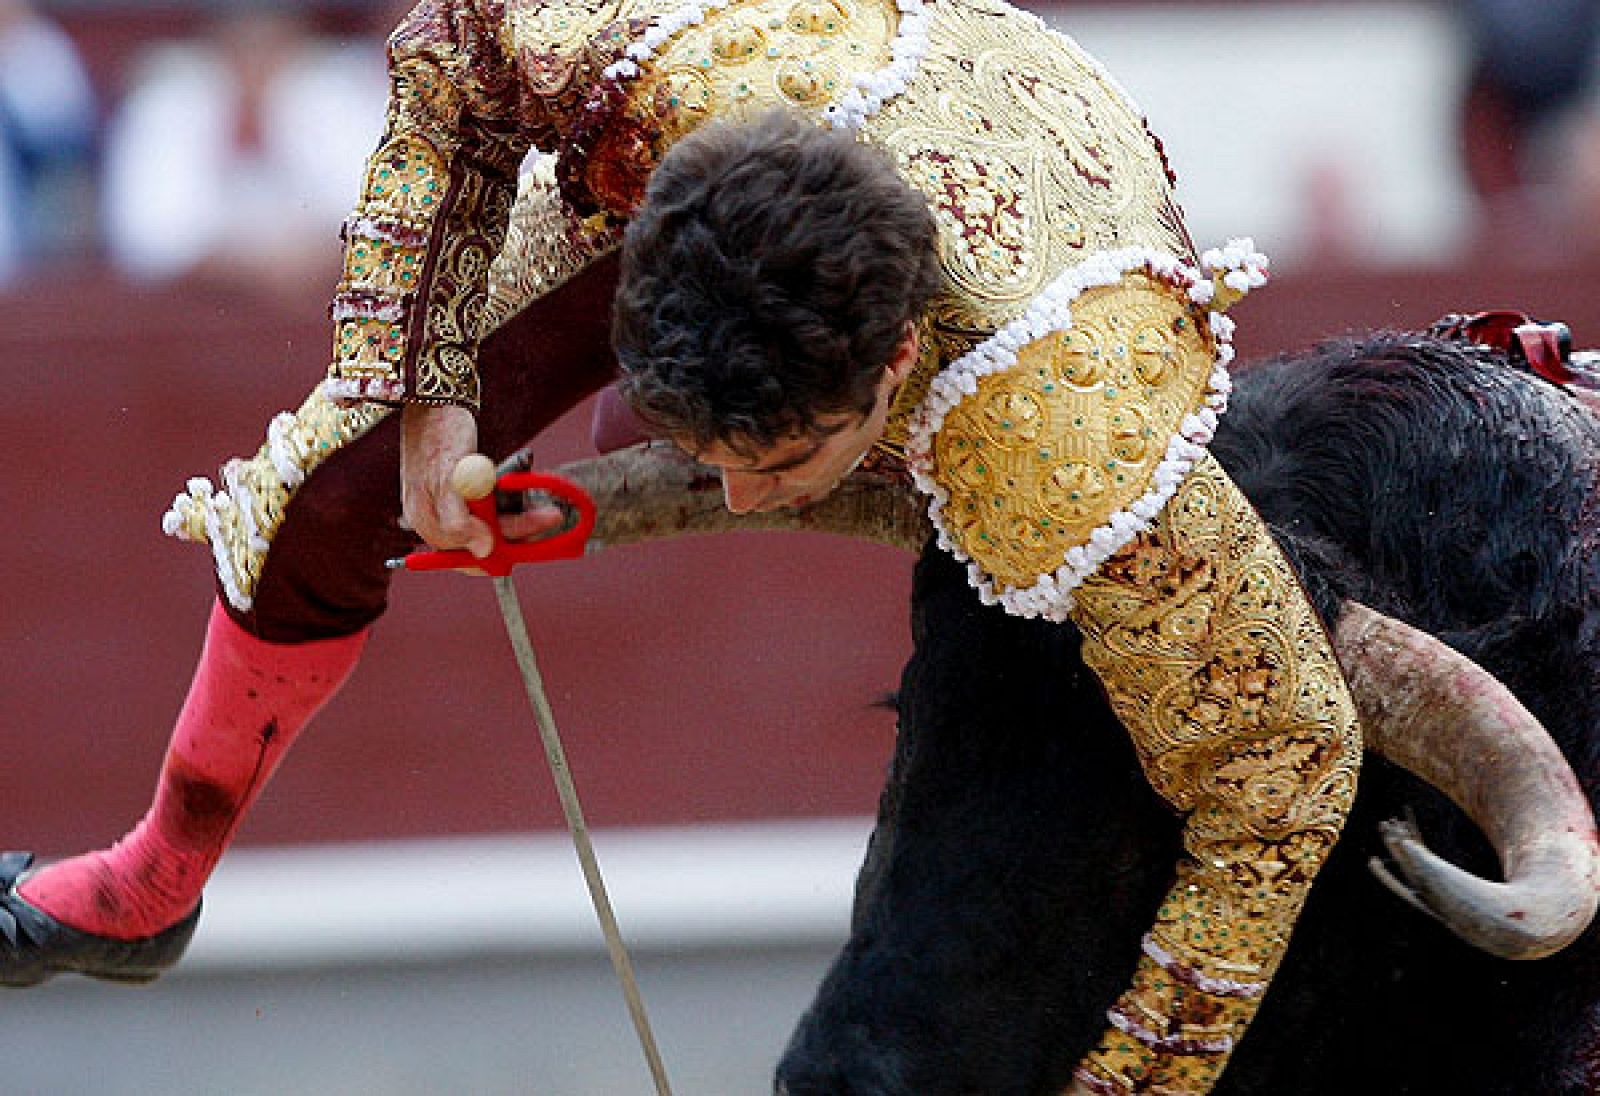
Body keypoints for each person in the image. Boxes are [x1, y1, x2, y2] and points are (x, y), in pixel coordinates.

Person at [1, 2, 1361, 1093]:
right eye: (719, 460)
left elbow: (1284, 771)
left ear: (897, 370)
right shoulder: (646, 65)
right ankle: (151, 878)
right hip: (773, 92)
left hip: (1042, 257)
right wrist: (426, 388)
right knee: (334, 488)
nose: (746, 505)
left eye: (780, 464)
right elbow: (452, 46)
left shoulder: (1064, 436)